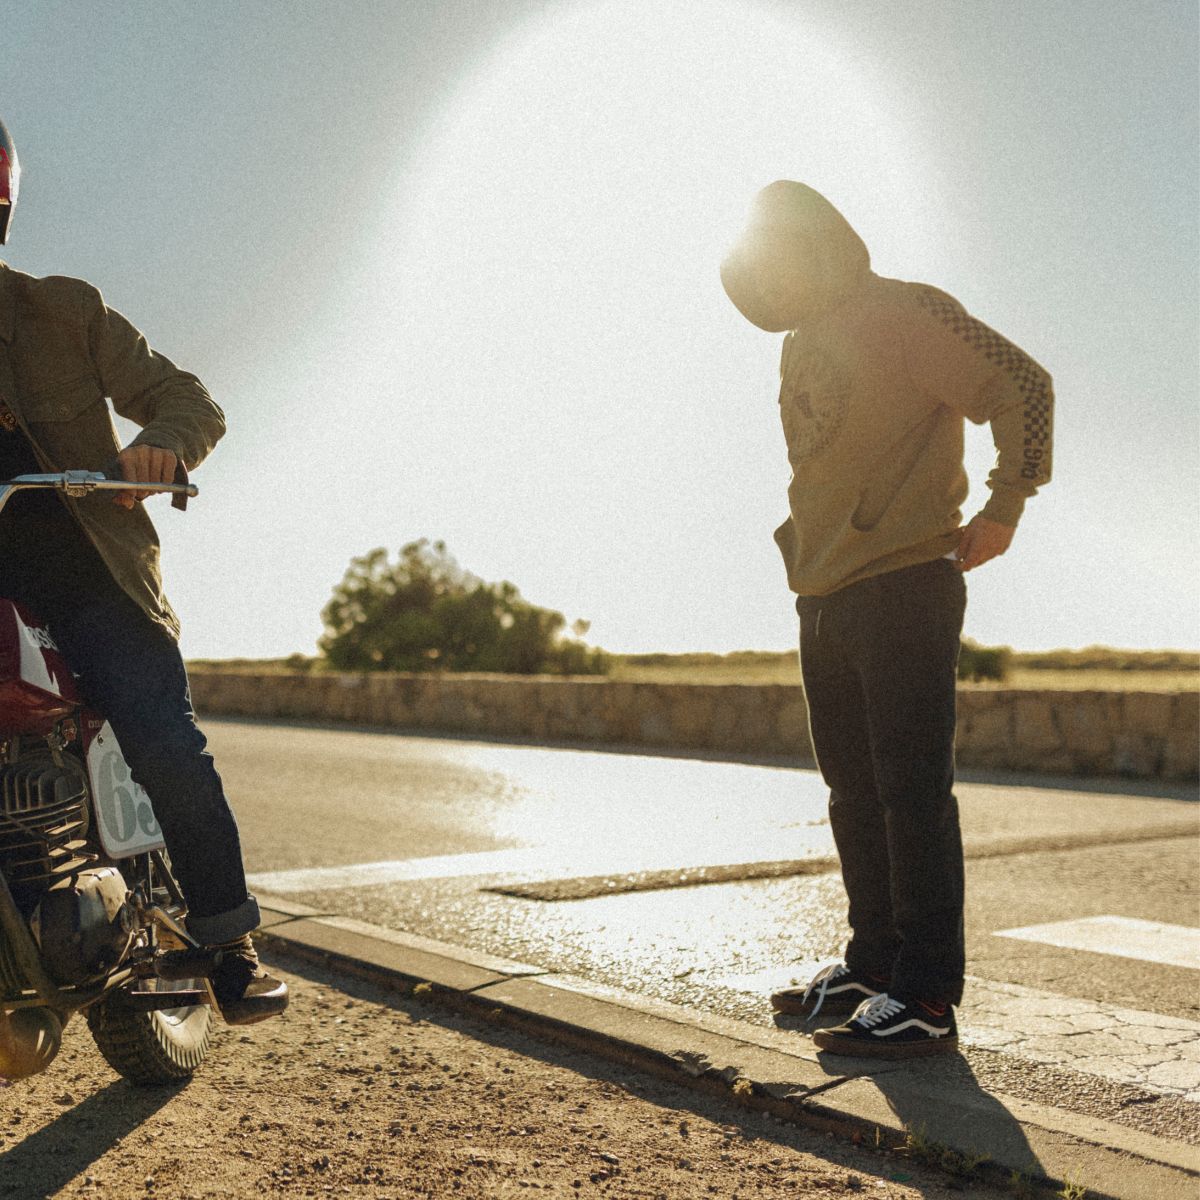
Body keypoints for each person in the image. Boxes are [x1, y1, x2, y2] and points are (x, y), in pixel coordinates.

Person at [720, 181, 1052, 1058]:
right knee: (853, 795)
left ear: (820, 243)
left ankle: (927, 996)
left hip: (905, 581)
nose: (770, 280)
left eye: (780, 260)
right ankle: (872, 968)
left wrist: (1007, 502)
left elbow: (1022, 382)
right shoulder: (796, 341)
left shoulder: (906, 311)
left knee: (911, 796)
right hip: (822, 592)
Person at [0, 117, 286, 1025]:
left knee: (162, 734)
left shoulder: (62, 311)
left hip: (89, 575)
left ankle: (226, 938)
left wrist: (160, 446)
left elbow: (184, 398)